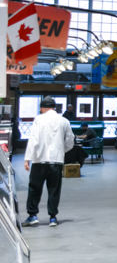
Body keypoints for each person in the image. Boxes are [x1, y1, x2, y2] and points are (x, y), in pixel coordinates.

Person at [23, 97, 75, 227]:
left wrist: (27, 158)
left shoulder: (38, 119)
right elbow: (70, 140)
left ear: (42, 108)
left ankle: (32, 215)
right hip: (56, 161)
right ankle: (53, 218)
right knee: (54, 189)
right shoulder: (64, 121)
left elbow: (33, 139)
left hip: (39, 160)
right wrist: (61, 151)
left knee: (34, 188)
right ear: (54, 107)